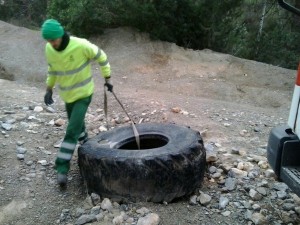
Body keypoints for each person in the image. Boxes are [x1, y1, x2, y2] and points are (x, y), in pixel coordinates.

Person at [41, 19, 113, 187]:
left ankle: (62, 167)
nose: (51, 43)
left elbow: (101, 56)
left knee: (72, 131)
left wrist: (107, 78)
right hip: (67, 97)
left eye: (53, 40)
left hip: (83, 95)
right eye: (48, 41)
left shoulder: (80, 45)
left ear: (60, 35)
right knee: (78, 127)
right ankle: (87, 145)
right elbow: (52, 69)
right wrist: (49, 88)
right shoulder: (49, 49)